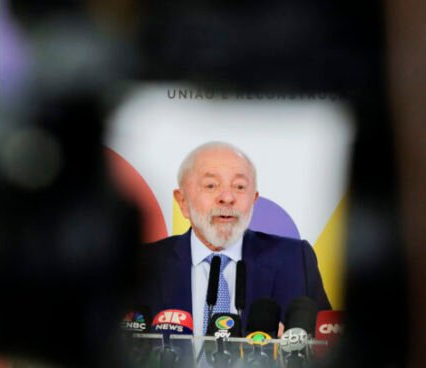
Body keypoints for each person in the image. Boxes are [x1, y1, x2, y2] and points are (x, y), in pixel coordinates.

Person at [138, 142, 331, 336]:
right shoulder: (142, 264)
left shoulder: (295, 261)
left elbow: (328, 344)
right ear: (183, 201)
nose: (227, 197)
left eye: (239, 186)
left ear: (254, 199)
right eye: (211, 186)